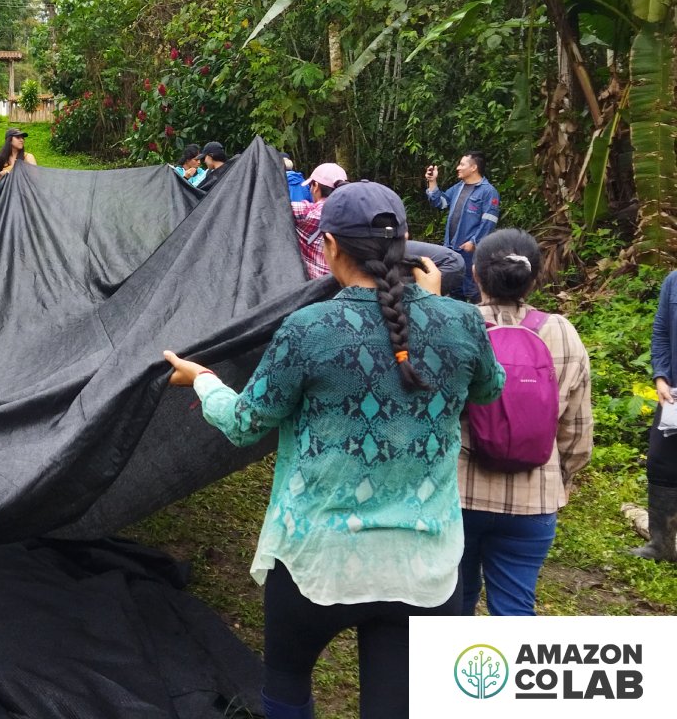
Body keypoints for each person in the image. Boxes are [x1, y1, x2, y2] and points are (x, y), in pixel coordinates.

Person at [163, 182, 504, 719]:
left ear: (329, 249)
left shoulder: (307, 330)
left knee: (287, 686)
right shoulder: (462, 323)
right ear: (408, 243)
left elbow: (246, 422)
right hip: (423, 570)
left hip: (316, 561)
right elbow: (488, 389)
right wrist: (439, 310)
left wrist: (202, 378)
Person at [458, 229, 593, 614]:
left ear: (476, 274)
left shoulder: (456, 326)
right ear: (534, 280)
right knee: (516, 608)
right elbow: (576, 431)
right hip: (533, 501)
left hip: (458, 495)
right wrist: (558, 482)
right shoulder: (562, 333)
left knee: (453, 603)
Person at [633, 269, 677, 561]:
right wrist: (661, 376)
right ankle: (660, 544)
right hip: (673, 394)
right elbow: (661, 330)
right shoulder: (673, 282)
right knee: (661, 464)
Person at [425, 151, 500, 302]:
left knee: (473, 290)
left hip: (470, 252)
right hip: (451, 248)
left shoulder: (488, 192)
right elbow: (441, 203)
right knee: (454, 289)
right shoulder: (459, 187)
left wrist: (474, 242)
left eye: (462, 164)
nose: (458, 168)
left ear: (473, 168)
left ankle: (480, 321)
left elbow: (489, 221)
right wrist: (432, 182)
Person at [290, 162, 347, 280]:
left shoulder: (307, 213)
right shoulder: (354, 212)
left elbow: (272, 204)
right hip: (346, 282)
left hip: (317, 288)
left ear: (315, 186)